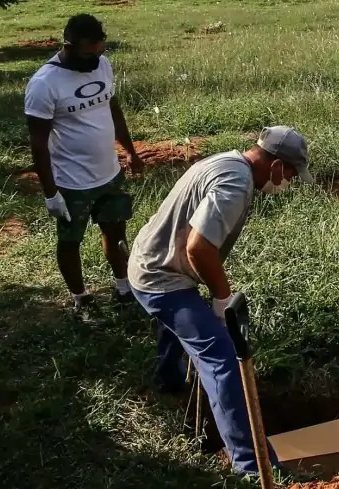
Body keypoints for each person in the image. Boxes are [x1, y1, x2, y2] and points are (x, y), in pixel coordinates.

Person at [126, 126, 313, 476]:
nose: (288, 181)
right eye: (289, 173)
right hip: (162, 278)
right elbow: (199, 248)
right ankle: (252, 467)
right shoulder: (235, 185)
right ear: (274, 166)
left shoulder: (227, 161)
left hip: (151, 257)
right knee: (222, 357)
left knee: (181, 327)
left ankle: (169, 383)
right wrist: (222, 297)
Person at [24, 13, 144, 312]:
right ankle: (81, 298)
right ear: (69, 45)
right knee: (70, 242)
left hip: (110, 174)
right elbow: (38, 145)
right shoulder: (44, 84)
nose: (95, 60)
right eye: (89, 53)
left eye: (99, 51)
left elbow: (113, 109)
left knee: (115, 231)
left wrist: (130, 151)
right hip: (71, 183)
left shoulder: (102, 64)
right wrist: (51, 193)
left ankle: (123, 287)